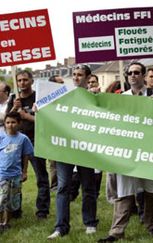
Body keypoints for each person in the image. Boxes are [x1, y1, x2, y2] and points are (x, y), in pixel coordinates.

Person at [98, 62, 153, 242]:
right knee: (124, 192)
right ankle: (116, 232)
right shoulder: (120, 98)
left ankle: (152, 226)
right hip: (127, 152)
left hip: (149, 152)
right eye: (130, 73)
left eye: (137, 72)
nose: (133, 75)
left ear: (143, 76)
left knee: (151, 192)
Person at [48, 65, 99, 239]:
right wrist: (39, 107)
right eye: (74, 75)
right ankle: (61, 227)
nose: (76, 78)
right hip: (65, 148)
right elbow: (50, 109)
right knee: (63, 187)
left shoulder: (94, 97)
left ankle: (90, 223)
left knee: (88, 187)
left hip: (85, 148)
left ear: (88, 77)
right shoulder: (63, 94)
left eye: (79, 75)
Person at [7, 70, 50, 220]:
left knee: (41, 177)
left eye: (25, 80)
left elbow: (47, 120)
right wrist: (14, 108)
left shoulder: (38, 97)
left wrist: (27, 116)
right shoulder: (14, 98)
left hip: (36, 141)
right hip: (18, 141)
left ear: (32, 81)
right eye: (19, 81)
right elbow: (7, 120)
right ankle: (15, 209)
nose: (22, 83)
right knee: (14, 177)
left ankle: (42, 211)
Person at [0, 112, 33, 232]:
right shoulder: (1, 137)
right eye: (8, 122)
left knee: (11, 200)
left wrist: (24, 172)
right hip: (2, 174)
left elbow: (26, 155)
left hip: (15, 175)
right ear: (4, 124)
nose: (10, 125)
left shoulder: (23, 139)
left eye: (13, 122)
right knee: (2, 198)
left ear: (19, 123)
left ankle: (6, 223)